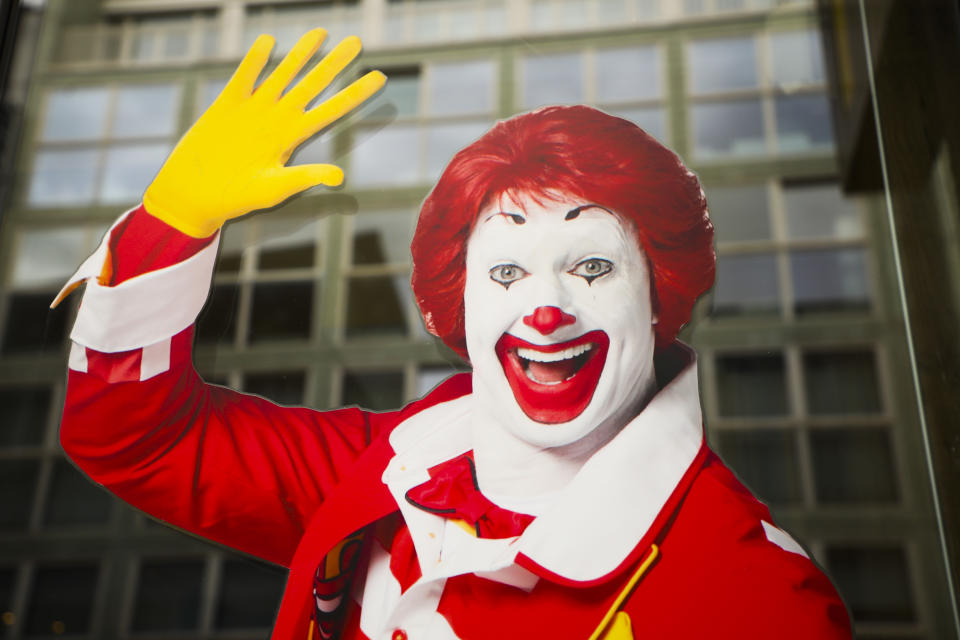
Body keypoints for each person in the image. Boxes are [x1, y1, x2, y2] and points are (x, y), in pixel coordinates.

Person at [56, 29, 851, 640]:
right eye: (506, 272)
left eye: (593, 268)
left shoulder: (754, 596)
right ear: (460, 302)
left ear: (658, 296)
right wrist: (171, 225)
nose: (547, 309)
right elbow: (135, 438)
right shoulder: (387, 468)